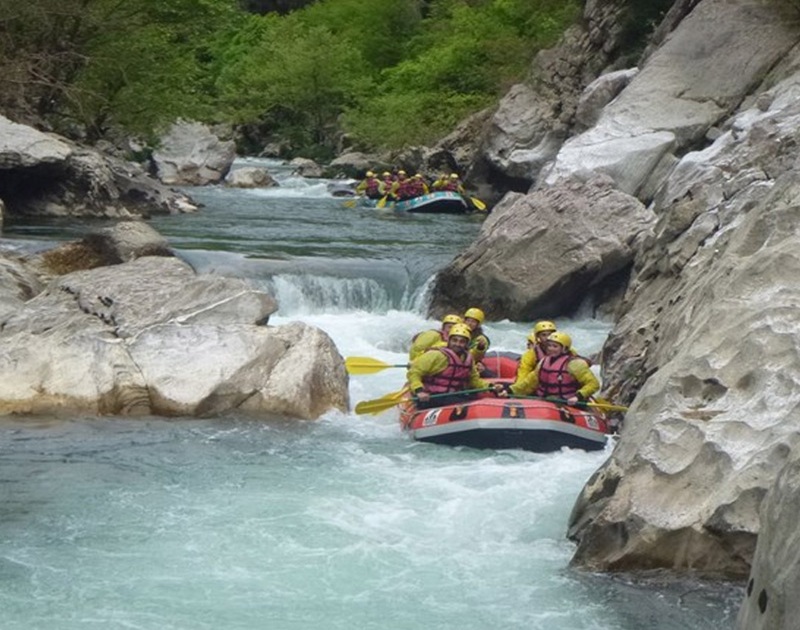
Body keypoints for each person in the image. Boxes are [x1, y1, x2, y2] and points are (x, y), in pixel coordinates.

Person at [407, 323, 503, 409]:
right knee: (463, 403)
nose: (457, 344)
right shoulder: (436, 355)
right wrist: (419, 391)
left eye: (462, 341)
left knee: (474, 399)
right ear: (449, 341)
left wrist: (491, 387)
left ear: (466, 344)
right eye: (454, 340)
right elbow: (414, 373)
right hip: (431, 396)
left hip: (452, 395)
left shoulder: (468, 359)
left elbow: (474, 381)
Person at [508, 331, 599, 405]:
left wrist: (578, 396)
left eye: (555, 346)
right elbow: (529, 383)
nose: (551, 349)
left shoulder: (574, 364)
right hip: (545, 400)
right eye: (549, 346)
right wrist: (510, 390)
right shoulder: (543, 362)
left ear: (564, 349)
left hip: (567, 401)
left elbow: (593, 384)